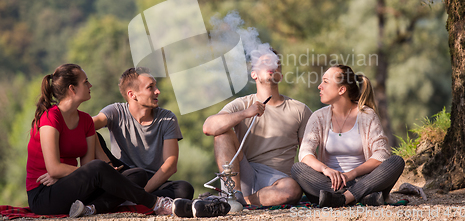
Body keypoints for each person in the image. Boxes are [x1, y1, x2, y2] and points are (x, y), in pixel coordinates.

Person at [26, 64, 173, 217]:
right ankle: (156, 203)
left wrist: (95, 173)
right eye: (85, 82)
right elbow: (54, 169)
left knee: (138, 175)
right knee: (99, 168)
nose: (90, 85)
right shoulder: (50, 117)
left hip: (73, 188)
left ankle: (90, 208)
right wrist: (96, 172)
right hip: (44, 194)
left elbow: (88, 168)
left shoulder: (86, 121)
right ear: (72, 88)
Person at [203, 47, 313, 206]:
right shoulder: (242, 104)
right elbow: (208, 127)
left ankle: (236, 202)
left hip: (278, 182)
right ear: (253, 74)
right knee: (222, 133)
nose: (271, 65)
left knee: (293, 190)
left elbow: (307, 154)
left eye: (276, 63)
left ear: (280, 76)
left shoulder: (300, 109)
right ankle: (232, 194)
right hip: (243, 175)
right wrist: (245, 113)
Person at [291, 64, 405, 207]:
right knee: (297, 168)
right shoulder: (318, 117)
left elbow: (381, 154)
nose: (320, 86)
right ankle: (360, 197)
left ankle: (341, 199)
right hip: (331, 183)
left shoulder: (366, 115)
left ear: (342, 89)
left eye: (325, 82)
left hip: (363, 180)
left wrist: (351, 174)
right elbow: (305, 153)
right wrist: (325, 170)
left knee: (396, 161)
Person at [92, 67, 194, 200]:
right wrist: (106, 163)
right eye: (150, 87)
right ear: (132, 94)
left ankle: (127, 201)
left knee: (184, 189)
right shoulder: (115, 111)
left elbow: (170, 165)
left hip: (151, 181)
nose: (157, 91)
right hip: (123, 175)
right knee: (94, 135)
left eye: (155, 86)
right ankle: (141, 203)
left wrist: (140, 193)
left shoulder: (168, 118)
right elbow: (86, 126)